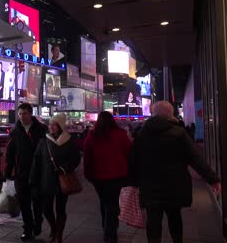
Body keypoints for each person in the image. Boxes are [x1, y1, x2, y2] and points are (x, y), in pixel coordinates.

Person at [128, 101, 221, 243]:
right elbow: (195, 159)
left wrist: (134, 183)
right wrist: (212, 179)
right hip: (174, 186)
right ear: (171, 114)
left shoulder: (142, 134)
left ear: (153, 113)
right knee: (175, 218)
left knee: (153, 222)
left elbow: (133, 161)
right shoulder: (179, 133)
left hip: (149, 187)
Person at [30, 113, 81, 243]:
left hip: (62, 181)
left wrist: (64, 168)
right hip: (46, 181)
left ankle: (59, 234)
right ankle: (53, 227)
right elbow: (36, 162)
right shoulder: (43, 141)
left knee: (60, 209)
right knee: (46, 208)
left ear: (60, 126)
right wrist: (32, 180)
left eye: (55, 125)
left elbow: (76, 159)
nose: (52, 127)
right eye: (50, 124)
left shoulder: (69, 141)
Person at [83, 111, 132, 243]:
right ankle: (110, 232)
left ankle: (107, 228)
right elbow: (129, 152)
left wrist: (87, 174)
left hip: (97, 176)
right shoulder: (120, 134)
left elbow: (87, 157)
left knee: (104, 201)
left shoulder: (92, 136)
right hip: (117, 175)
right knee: (113, 203)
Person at [5, 103, 47, 241]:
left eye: (24, 113)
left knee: (37, 202)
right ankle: (27, 229)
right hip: (21, 174)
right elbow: (10, 154)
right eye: (20, 113)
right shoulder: (14, 131)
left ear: (31, 114)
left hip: (38, 174)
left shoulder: (41, 129)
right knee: (24, 203)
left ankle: (38, 222)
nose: (22, 116)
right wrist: (8, 173)